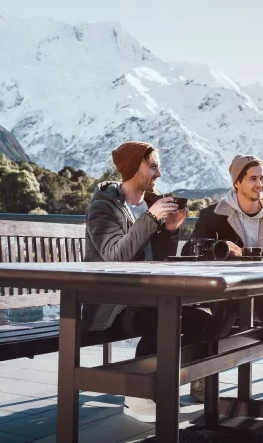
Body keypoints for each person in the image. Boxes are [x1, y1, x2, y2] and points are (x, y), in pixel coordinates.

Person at [84, 141, 215, 422]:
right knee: (162, 317)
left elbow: (161, 263)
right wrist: (152, 219)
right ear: (133, 167)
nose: (159, 174)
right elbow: (115, 256)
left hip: (147, 298)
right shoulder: (103, 207)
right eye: (153, 166)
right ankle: (137, 394)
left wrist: (169, 229)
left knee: (204, 321)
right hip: (113, 304)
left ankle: (162, 386)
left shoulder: (150, 204)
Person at [188, 155, 263, 402]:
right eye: (253, 178)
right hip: (224, 290)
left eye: (262, 178)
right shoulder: (212, 216)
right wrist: (219, 246)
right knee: (224, 314)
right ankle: (203, 376)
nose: (260, 183)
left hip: (262, 291)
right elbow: (190, 252)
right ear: (237, 183)